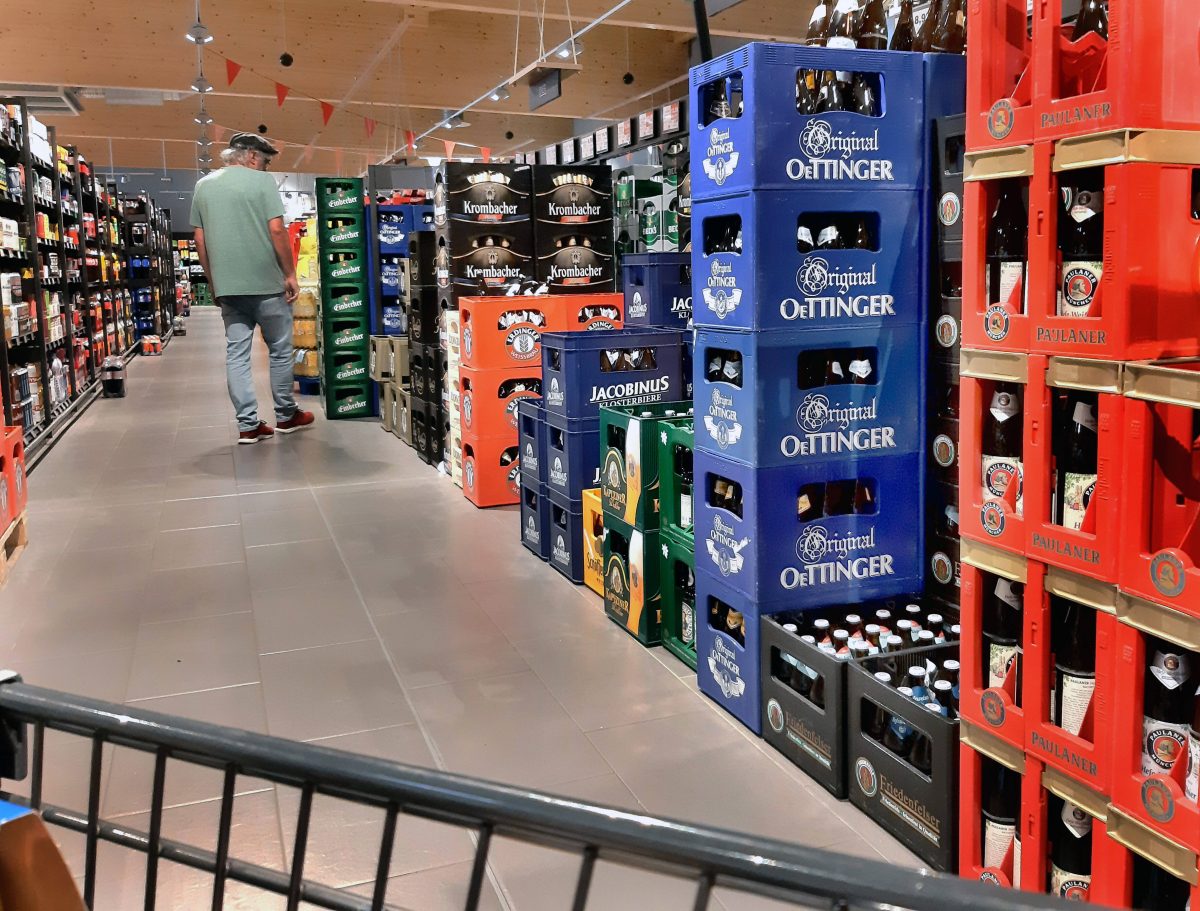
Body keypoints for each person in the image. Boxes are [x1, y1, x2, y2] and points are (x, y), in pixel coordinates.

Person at [191, 132, 314, 444]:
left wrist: (214, 282)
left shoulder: (203, 186)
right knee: (280, 350)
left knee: (237, 354)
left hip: (229, 288)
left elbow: (200, 240)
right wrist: (290, 274)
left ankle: (248, 425)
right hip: (266, 284)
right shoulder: (261, 182)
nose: (266, 167)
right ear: (252, 156)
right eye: (266, 161)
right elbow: (277, 230)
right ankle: (286, 415)